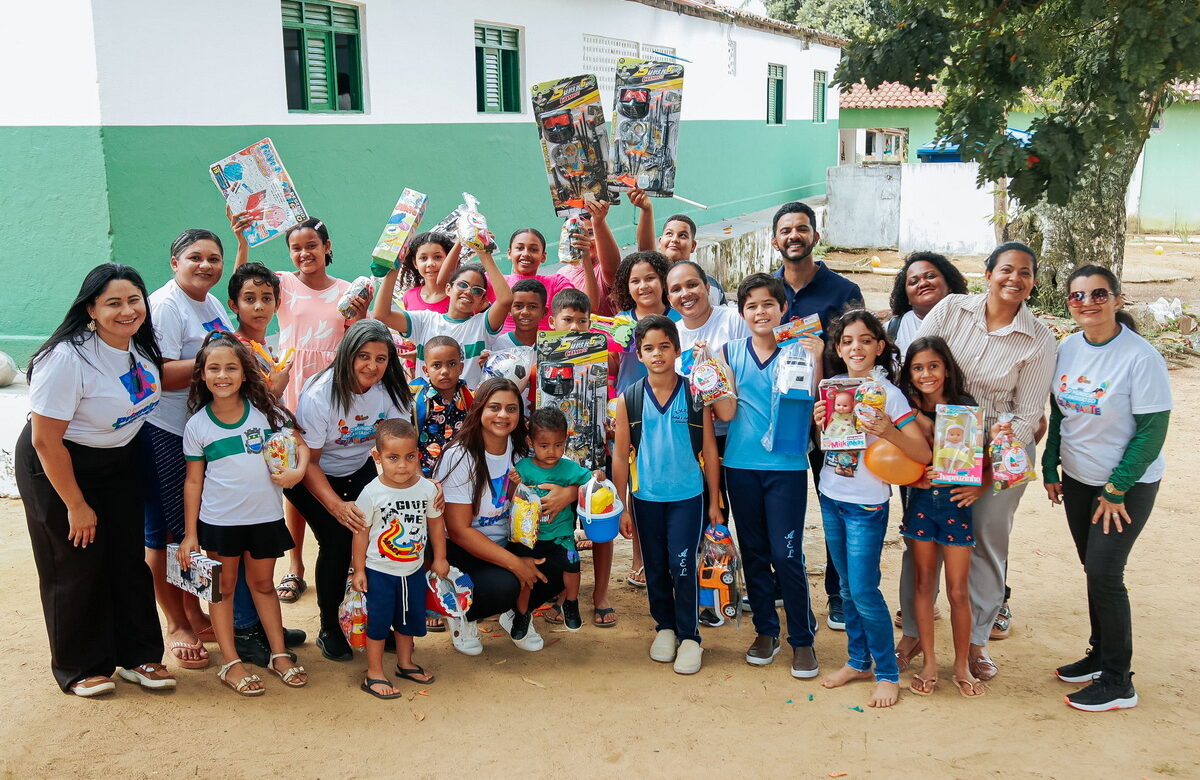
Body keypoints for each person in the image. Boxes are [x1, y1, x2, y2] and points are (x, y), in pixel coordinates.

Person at [16, 264, 172, 696]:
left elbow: (156, 384)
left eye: (134, 300)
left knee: (127, 559)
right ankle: (80, 666)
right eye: (114, 303)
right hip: (60, 465)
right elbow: (47, 441)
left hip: (118, 460)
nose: (127, 310)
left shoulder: (137, 344)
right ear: (91, 308)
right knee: (75, 564)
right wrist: (76, 503)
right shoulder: (66, 357)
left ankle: (139, 656)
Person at [914, 241, 1056, 681]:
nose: (1015, 279)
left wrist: (985, 478)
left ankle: (975, 643)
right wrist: (919, 434)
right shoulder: (952, 310)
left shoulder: (1040, 338)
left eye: (1025, 273)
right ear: (988, 272)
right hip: (938, 438)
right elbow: (918, 365)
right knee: (924, 536)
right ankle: (913, 635)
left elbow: (1028, 417)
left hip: (1000, 448)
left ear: (1033, 282)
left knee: (986, 544)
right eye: (1006, 269)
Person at [1043, 264, 1171, 712]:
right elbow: (1061, 413)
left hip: (1124, 486)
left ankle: (1118, 680)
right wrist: (1049, 464)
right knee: (1091, 568)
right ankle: (1099, 655)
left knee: (1104, 573)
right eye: (1078, 296)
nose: (1088, 303)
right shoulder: (1069, 347)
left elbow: (1152, 430)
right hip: (1078, 478)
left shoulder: (1141, 357)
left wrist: (1116, 488)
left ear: (1117, 299)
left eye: (1099, 294)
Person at [231, 214, 369, 605]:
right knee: (296, 477)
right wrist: (241, 238)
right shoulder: (282, 284)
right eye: (296, 247)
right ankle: (295, 566)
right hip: (289, 389)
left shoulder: (348, 291)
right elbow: (243, 278)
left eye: (312, 245)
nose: (304, 253)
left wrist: (360, 314)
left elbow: (361, 336)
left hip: (331, 394)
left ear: (327, 247)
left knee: (322, 472)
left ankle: (340, 558)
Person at [177, 332, 309, 695]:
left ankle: (279, 654)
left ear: (245, 372)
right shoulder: (197, 426)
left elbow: (299, 443)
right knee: (223, 590)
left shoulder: (266, 413)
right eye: (214, 368)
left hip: (265, 519)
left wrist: (297, 472)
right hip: (219, 524)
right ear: (202, 375)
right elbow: (193, 482)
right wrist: (191, 534)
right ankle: (230, 663)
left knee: (264, 585)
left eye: (231, 367)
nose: (223, 375)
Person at [813, 310, 930, 708]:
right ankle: (858, 661)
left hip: (866, 504)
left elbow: (921, 451)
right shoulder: (833, 389)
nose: (855, 347)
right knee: (846, 589)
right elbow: (834, 446)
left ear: (879, 347)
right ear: (838, 348)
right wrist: (820, 421)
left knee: (864, 590)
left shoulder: (888, 395)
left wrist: (888, 430)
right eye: (847, 341)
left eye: (864, 340)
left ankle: (887, 672)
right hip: (831, 496)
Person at [713, 274, 822, 677]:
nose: (760, 312)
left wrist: (820, 356)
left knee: (787, 554)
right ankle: (765, 631)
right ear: (742, 313)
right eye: (752, 306)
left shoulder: (801, 352)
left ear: (783, 310)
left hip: (787, 469)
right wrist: (707, 374)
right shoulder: (728, 352)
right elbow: (722, 410)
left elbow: (816, 403)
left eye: (768, 305)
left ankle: (803, 639)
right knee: (755, 553)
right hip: (740, 468)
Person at [284, 320, 412, 661]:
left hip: (358, 469)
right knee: (339, 541)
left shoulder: (393, 391)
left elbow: (399, 448)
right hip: (310, 473)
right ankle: (329, 627)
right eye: (363, 356)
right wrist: (337, 507)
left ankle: (369, 617)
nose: (372, 366)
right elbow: (309, 463)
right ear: (346, 356)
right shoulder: (320, 395)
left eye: (381, 359)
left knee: (375, 539)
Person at [143, 228, 234, 670]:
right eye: (195, 257)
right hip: (163, 430)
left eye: (214, 258)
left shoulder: (210, 302)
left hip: (199, 432)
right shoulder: (166, 305)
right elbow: (155, 374)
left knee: (189, 529)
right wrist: (215, 365)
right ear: (174, 261)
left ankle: (196, 613)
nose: (206, 265)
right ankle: (175, 622)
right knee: (163, 532)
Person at [770, 200, 864, 631]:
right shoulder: (766, 292)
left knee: (838, 503)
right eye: (786, 230)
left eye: (802, 229)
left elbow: (856, 353)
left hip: (832, 418)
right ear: (775, 241)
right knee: (777, 506)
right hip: (778, 419)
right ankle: (773, 584)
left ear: (815, 237)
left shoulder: (842, 291)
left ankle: (839, 592)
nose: (794, 236)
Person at [431, 378, 577, 655]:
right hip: (464, 549)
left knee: (562, 562)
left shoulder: (523, 450)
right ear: (479, 410)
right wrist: (515, 564)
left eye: (511, 409)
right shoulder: (460, 456)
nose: (503, 415)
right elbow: (459, 530)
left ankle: (516, 614)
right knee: (505, 585)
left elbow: (571, 474)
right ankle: (463, 614)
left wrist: (568, 494)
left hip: (511, 538)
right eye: (494, 407)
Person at [613, 315, 723, 675]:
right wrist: (622, 506)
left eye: (664, 346)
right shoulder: (628, 399)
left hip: (688, 497)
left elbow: (708, 449)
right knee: (656, 566)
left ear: (677, 350)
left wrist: (715, 502)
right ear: (639, 355)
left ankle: (690, 636)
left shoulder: (695, 394)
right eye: (648, 348)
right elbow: (620, 455)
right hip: (646, 499)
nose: (657, 354)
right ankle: (665, 627)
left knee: (682, 564)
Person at [225, 263, 308, 661]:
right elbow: (237, 404)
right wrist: (274, 389)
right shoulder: (233, 349)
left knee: (256, 553)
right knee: (240, 553)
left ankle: (259, 622)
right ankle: (245, 628)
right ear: (233, 304)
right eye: (249, 299)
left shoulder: (265, 346)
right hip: (236, 466)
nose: (259, 306)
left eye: (267, 299)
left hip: (262, 463)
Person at [895, 336, 984, 698]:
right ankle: (929, 662)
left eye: (933, 366)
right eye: (918, 368)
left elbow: (984, 459)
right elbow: (895, 458)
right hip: (919, 505)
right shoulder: (905, 409)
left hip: (956, 506)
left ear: (946, 368)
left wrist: (981, 485)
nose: (926, 374)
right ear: (909, 373)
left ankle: (961, 664)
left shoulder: (965, 408)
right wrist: (916, 477)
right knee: (922, 586)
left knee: (958, 591)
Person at [534, 288, 619, 628]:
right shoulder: (541, 357)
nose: (574, 327)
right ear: (552, 322)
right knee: (558, 527)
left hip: (594, 455)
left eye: (582, 321)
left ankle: (600, 593)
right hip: (553, 459)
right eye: (567, 320)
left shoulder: (598, 356)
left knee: (600, 526)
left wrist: (611, 428)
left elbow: (608, 402)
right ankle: (559, 593)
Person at [351, 419, 447, 698]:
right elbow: (360, 533)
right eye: (393, 458)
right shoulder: (371, 492)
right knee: (379, 623)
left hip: (413, 570)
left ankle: (405, 663)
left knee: (409, 620)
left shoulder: (427, 490)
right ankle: (374, 673)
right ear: (377, 457)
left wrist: (440, 558)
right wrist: (358, 570)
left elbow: (436, 525)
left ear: (418, 454)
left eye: (410, 457)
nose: (403, 465)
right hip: (379, 572)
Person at [610, 250, 681, 590]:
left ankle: (677, 556)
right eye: (635, 281)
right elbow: (608, 370)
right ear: (626, 286)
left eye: (650, 278)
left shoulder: (677, 319)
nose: (643, 286)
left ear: (664, 281)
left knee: (670, 482)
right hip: (631, 413)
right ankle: (640, 558)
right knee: (636, 486)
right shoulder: (619, 323)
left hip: (675, 410)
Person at [512, 408, 605, 632]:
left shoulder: (569, 468)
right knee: (526, 578)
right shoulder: (523, 468)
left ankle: (571, 604)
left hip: (562, 536)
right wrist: (513, 481)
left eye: (558, 444)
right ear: (531, 441)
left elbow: (590, 481)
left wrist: (597, 475)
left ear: (565, 441)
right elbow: (510, 495)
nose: (552, 451)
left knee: (573, 567)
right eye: (544, 446)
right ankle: (522, 615)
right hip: (529, 539)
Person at [374, 250, 512, 389]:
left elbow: (506, 300)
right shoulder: (424, 321)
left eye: (477, 290)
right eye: (462, 285)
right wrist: (394, 267)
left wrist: (484, 254)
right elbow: (382, 315)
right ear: (448, 289)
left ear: (482, 300)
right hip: (427, 407)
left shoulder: (482, 325)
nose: (468, 291)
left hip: (469, 408)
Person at [630, 190, 727, 305]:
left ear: (693, 246)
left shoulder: (712, 284)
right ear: (660, 242)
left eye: (682, 235)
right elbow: (646, 253)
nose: (674, 239)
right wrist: (646, 210)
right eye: (669, 234)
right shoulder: (655, 282)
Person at [886, 252, 968, 355]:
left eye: (930, 276)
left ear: (949, 285)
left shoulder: (971, 321)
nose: (923, 283)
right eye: (914, 282)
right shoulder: (891, 331)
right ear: (907, 298)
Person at [500, 228, 581, 331]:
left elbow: (580, 307)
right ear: (509, 253)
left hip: (548, 346)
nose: (525, 254)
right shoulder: (496, 282)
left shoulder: (556, 282)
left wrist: (585, 258)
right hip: (502, 347)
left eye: (533, 249)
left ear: (543, 256)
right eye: (520, 248)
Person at [554, 201, 621, 317]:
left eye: (590, 233)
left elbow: (591, 308)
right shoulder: (561, 274)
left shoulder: (603, 269)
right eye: (577, 233)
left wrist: (599, 222)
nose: (585, 239)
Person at [397, 232, 456, 314]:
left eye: (437, 257)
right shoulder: (409, 296)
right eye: (423, 258)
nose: (430, 264)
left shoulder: (460, 294)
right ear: (415, 263)